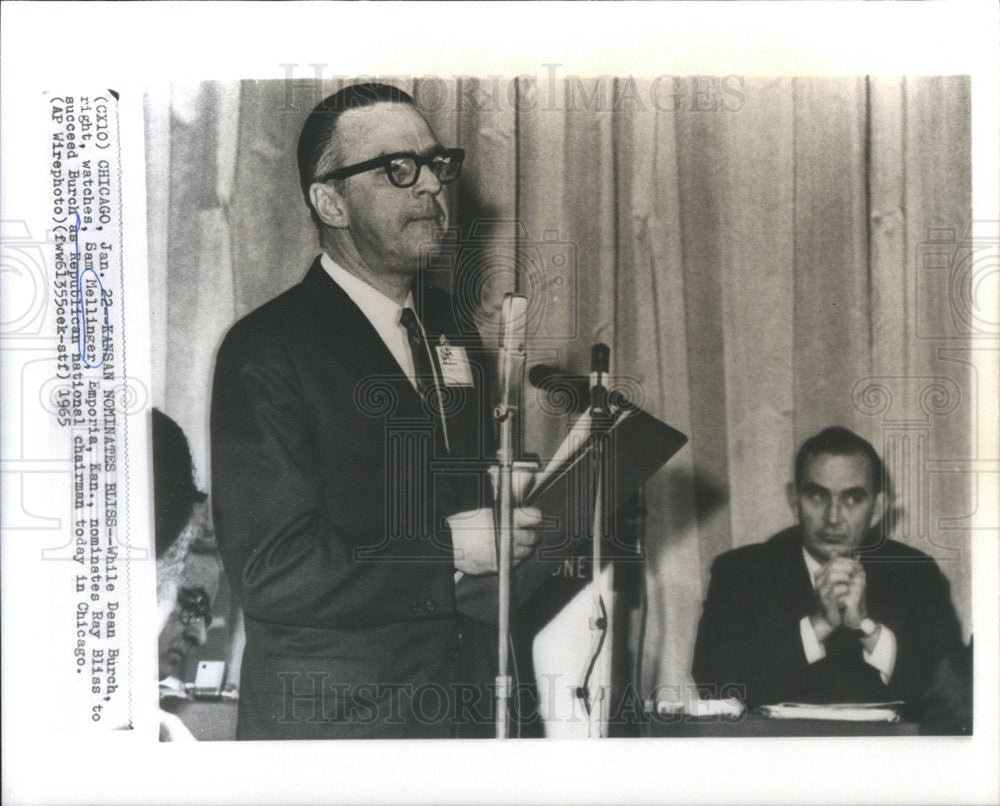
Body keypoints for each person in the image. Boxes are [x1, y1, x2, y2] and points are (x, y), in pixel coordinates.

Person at [210, 83, 541, 740]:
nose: (430, 188)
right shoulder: (268, 348)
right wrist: (451, 548)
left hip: (466, 717)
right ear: (329, 200)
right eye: (397, 169)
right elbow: (274, 569)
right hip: (340, 731)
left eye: (436, 164)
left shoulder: (452, 329)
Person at [692, 426, 965, 718]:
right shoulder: (741, 572)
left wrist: (866, 629)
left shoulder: (915, 574)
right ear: (794, 500)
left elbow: (954, 689)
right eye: (817, 496)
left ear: (877, 509)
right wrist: (818, 626)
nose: (833, 517)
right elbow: (714, 685)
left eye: (852, 499)